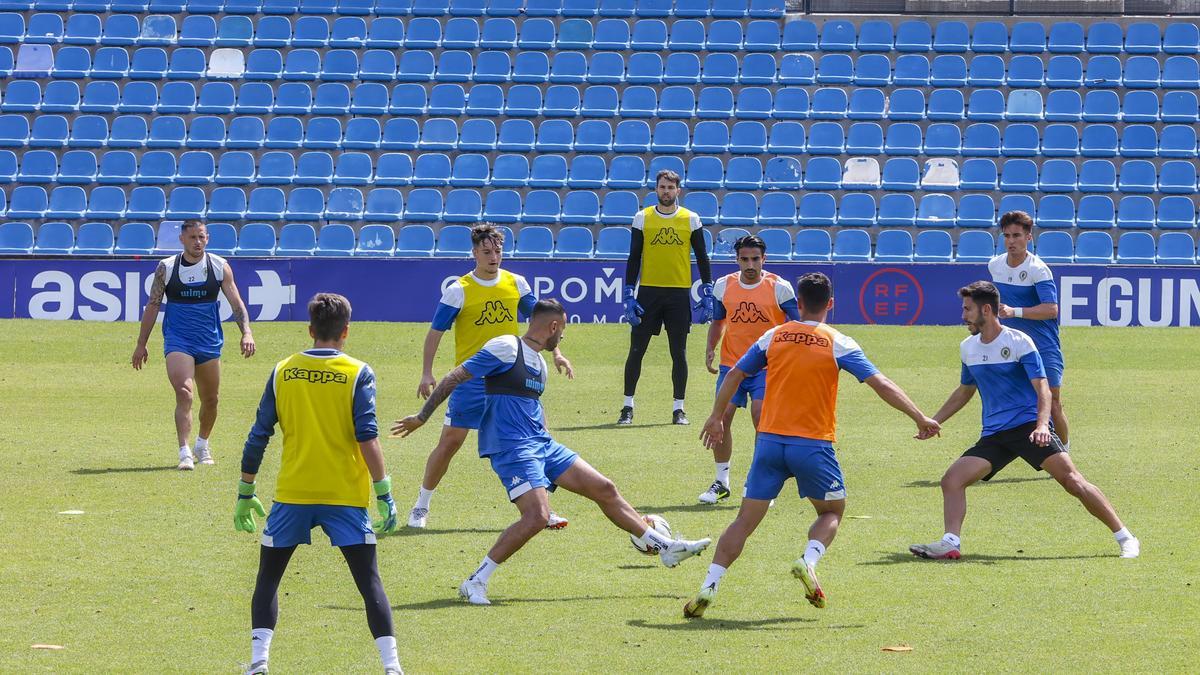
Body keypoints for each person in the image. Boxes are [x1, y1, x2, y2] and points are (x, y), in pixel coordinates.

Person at [393, 299, 712, 606]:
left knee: (605, 488)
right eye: (563, 331)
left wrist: (549, 454)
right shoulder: (506, 346)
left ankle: (666, 548)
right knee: (537, 517)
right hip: (511, 447)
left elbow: (533, 406)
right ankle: (476, 580)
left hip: (541, 445)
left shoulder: (540, 364)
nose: (562, 337)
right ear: (554, 325)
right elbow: (456, 376)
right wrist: (422, 417)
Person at [684, 273, 939, 618]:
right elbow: (881, 384)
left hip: (769, 443)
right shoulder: (838, 341)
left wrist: (717, 416)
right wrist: (920, 417)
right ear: (830, 304)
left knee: (744, 520)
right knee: (832, 511)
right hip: (813, 446)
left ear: (798, 303)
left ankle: (709, 586)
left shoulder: (773, 336)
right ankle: (808, 560)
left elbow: (734, 374)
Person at [909, 281, 1139, 561]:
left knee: (1073, 482)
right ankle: (950, 542)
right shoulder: (968, 347)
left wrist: (1042, 425)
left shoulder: (1018, 342)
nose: (963, 315)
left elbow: (1042, 388)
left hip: (1029, 428)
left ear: (986, 309)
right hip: (995, 435)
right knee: (952, 480)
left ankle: (1125, 537)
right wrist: (934, 421)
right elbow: (965, 390)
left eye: (967, 309)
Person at [235, 293, 403, 675]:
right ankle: (392, 668)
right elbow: (368, 437)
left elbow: (258, 434)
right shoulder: (358, 372)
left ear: (310, 330)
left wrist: (246, 490)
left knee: (268, 578)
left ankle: (259, 663)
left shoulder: (282, 371)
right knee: (369, 581)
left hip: (293, 494)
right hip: (344, 496)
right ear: (346, 331)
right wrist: (384, 492)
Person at [409, 224, 573, 529]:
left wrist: (557, 353)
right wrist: (427, 371)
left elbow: (544, 322)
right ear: (474, 253)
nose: (493, 256)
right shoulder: (459, 290)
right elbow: (435, 333)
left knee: (537, 441)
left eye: (497, 251)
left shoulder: (516, 283)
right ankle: (421, 505)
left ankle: (544, 510)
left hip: (513, 381)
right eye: (486, 252)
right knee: (450, 444)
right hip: (471, 381)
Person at [131, 219, 255, 471]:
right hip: (178, 340)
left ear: (207, 238)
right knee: (184, 392)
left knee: (211, 400)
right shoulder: (166, 268)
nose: (197, 242)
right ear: (182, 240)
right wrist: (141, 344)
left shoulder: (220, 267)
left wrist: (247, 333)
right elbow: (153, 305)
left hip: (209, 340)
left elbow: (236, 303)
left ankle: (202, 443)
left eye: (202, 237)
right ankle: (184, 451)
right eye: (192, 238)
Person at [698, 234, 800, 504]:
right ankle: (721, 481)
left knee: (761, 417)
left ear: (764, 259)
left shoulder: (780, 287)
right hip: (732, 365)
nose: (750, 264)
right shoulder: (723, 285)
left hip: (768, 366)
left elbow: (798, 324)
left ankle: (760, 482)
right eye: (745, 259)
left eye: (755, 259)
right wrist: (711, 347)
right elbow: (719, 321)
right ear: (737, 260)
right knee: (721, 418)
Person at [618, 169, 714, 426]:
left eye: (670, 188)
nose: (666, 192)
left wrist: (707, 290)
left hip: (678, 294)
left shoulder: (691, 219)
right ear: (656, 189)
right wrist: (629, 292)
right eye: (662, 187)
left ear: (678, 191)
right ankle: (627, 407)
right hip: (648, 292)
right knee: (636, 351)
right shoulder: (642, 217)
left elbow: (702, 257)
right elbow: (634, 257)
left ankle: (678, 409)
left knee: (679, 353)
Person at [990, 210, 1070, 445]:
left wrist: (1014, 311)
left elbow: (1051, 309)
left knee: (1052, 402)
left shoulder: (1038, 269)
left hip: (1043, 345)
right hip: (1012, 346)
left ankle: (1064, 452)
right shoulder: (995, 265)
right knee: (1014, 401)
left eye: (1016, 235)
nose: (1011, 241)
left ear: (1029, 237)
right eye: (1006, 236)